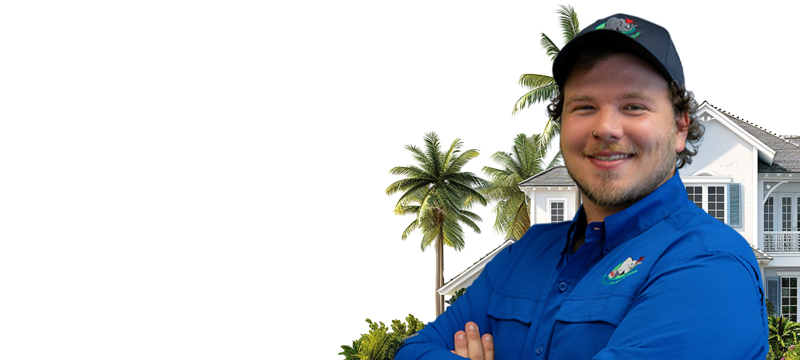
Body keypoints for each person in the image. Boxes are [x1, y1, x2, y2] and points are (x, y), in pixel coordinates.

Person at [395, 13, 768, 360]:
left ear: (681, 128)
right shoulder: (523, 255)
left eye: (634, 106)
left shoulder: (710, 267)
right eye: (584, 107)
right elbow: (414, 350)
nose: (605, 128)